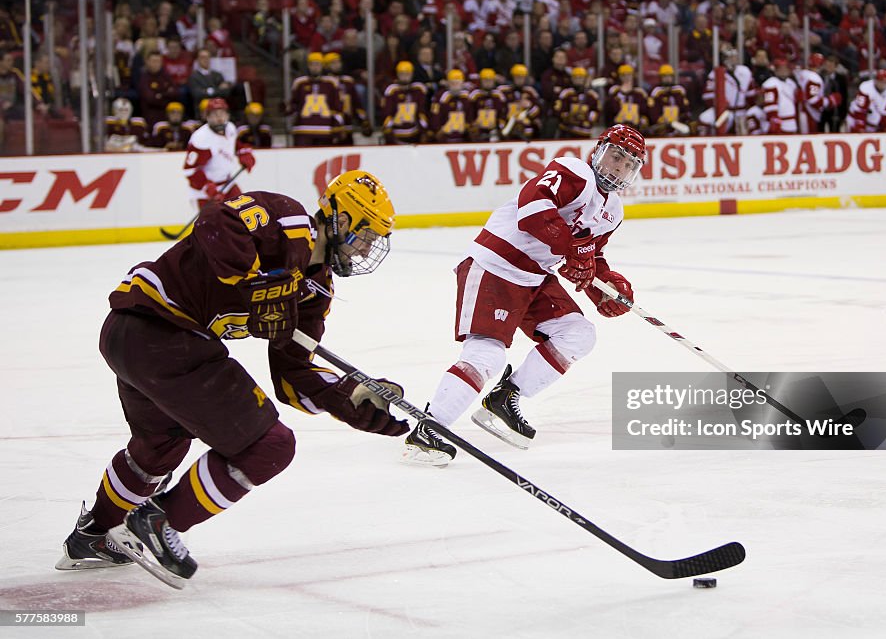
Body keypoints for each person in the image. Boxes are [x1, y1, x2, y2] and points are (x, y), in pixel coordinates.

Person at [55, 170, 409, 588]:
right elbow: (214, 220)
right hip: (160, 329)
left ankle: (93, 535)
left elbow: (294, 377)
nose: (366, 248)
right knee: (270, 446)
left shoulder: (315, 292)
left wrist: (352, 397)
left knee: (161, 445)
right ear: (342, 220)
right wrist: (255, 282)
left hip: (139, 342)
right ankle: (160, 520)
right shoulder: (288, 221)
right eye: (366, 235)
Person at [402, 124, 647, 466]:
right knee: (486, 356)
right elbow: (531, 209)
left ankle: (505, 398)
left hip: (535, 278)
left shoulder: (613, 211)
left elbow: (590, 255)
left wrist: (605, 286)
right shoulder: (574, 171)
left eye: (629, 164)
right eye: (616, 156)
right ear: (599, 151)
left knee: (578, 334)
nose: (619, 167)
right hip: (497, 266)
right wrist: (573, 249)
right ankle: (430, 429)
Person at [184, 97, 255, 207]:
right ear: (207, 116)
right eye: (215, 114)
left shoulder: (230, 128)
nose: (220, 118)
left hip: (227, 184)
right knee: (212, 223)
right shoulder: (201, 138)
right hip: (204, 191)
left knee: (243, 211)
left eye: (222, 114)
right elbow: (190, 171)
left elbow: (234, 144)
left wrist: (244, 153)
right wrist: (207, 187)